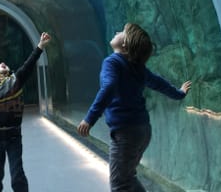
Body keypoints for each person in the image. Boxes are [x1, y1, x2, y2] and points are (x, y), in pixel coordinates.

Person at [77, 23, 191, 191]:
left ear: (125, 44)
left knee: (120, 184)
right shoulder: (138, 68)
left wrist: (90, 118)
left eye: (122, 32)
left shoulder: (111, 62)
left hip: (126, 133)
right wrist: (179, 92)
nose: (117, 31)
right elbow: (158, 83)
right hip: (143, 131)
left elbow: (109, 87)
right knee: (127, 178)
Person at [0, 32, 51, 192]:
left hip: (14, 135)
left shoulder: (16, 79)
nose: (3, 62)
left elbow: (29, 64)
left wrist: (40, 46)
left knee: (17, 174)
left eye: (4, 64)